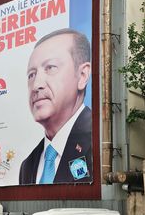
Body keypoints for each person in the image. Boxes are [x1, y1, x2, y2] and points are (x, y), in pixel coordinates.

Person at [19, 28, 92, 185]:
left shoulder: (99, 145)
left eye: (50, 68)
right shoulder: (27, 165)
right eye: (31, 75)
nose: (36, 85)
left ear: (82, 75)